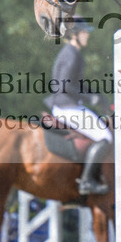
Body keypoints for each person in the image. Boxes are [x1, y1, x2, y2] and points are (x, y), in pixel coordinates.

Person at [48, 21, 112, 195]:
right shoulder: (72, 55)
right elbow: (66, 86)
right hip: (66, 107)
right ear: (75, 33)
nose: (88, 35)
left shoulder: (72, 53)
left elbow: (78, 85)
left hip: (68, 105)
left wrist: (99, 99)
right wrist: (91, 97)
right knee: (105, 137)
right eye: (85, 32)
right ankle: (87, 181)